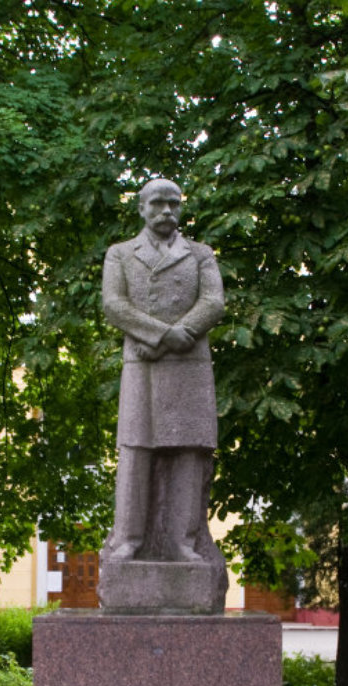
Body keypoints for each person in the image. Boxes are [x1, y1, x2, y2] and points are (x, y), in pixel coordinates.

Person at [102, 178, 224, 563]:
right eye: (157, 203)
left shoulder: (200, 253)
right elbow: (114, 305)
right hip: (144, 362)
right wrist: (161, 335)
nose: (166, 211)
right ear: (141, 208)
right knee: (136, 449)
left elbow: (214, 301)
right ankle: (128, 540)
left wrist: (183, 333)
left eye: (174, 203)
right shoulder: (120, 254)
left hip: (189, 363)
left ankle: (182, 543)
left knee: (188, 451)